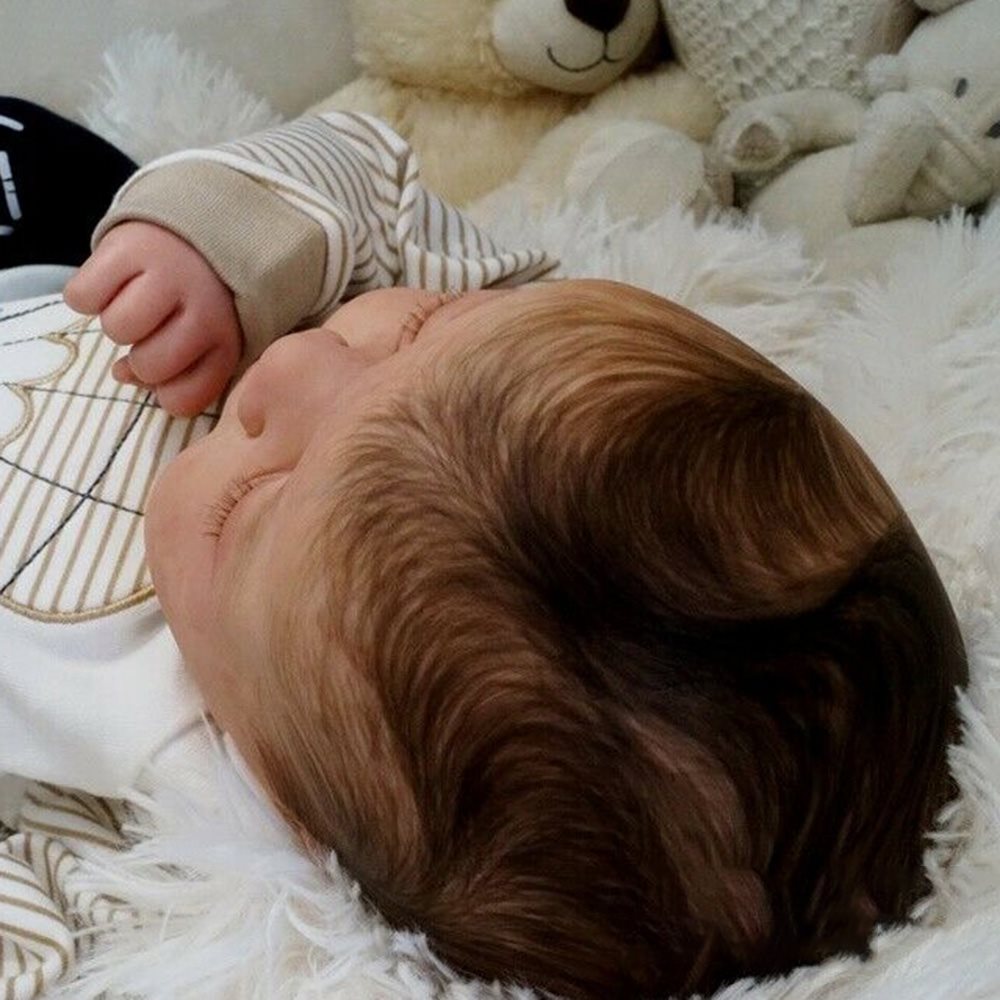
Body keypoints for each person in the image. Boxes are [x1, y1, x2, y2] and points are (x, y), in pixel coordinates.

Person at [2, 112, 968, 999]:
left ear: (295, 814)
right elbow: (365, 172)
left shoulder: (182, 799)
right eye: (421, 328)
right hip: (71, 252)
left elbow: (42, 898)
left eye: (254, 505)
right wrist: (222, 240)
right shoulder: (505, 365)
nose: (293, 362)